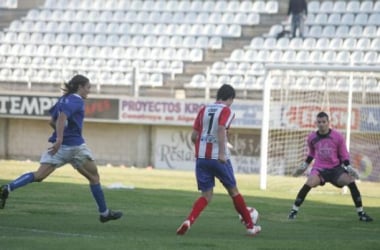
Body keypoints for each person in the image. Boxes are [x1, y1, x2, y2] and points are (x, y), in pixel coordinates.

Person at [0, 74, 122, 223]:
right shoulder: (76, 101)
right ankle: (104, 213)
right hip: (75, 147)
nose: (89, 91)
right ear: (80, 87)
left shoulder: (63, 99)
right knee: (94, 177)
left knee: (39, 175)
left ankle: (9, 187)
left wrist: (60, 136)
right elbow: (63, 117)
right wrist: (60, 138)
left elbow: (52, 121)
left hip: (60, 148)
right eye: (88, 87)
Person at [176, 84, 261, 236]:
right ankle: (250, 226)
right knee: (233, 192)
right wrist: (221, 152)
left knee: (206, 195)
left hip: (202, 158)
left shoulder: (203, 110)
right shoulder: (226, 110)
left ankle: (189, 220)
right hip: (218, 158)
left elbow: (194, 137)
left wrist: (202, 147)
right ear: (230, 98)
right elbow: (221, 128)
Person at [288, 111, 373, 222]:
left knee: (351, 181)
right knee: (309, 182)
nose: (321, 124)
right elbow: (311, 154)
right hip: (319, 169)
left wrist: (349, 167)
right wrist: (305, 165)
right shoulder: (311, 138)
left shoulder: (337, 137)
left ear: (328, 122)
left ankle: (361, 214)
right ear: (316, 123)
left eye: (324, 122)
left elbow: (344, 155)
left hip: (336, 169)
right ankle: (293, 212)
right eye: (319, 122)